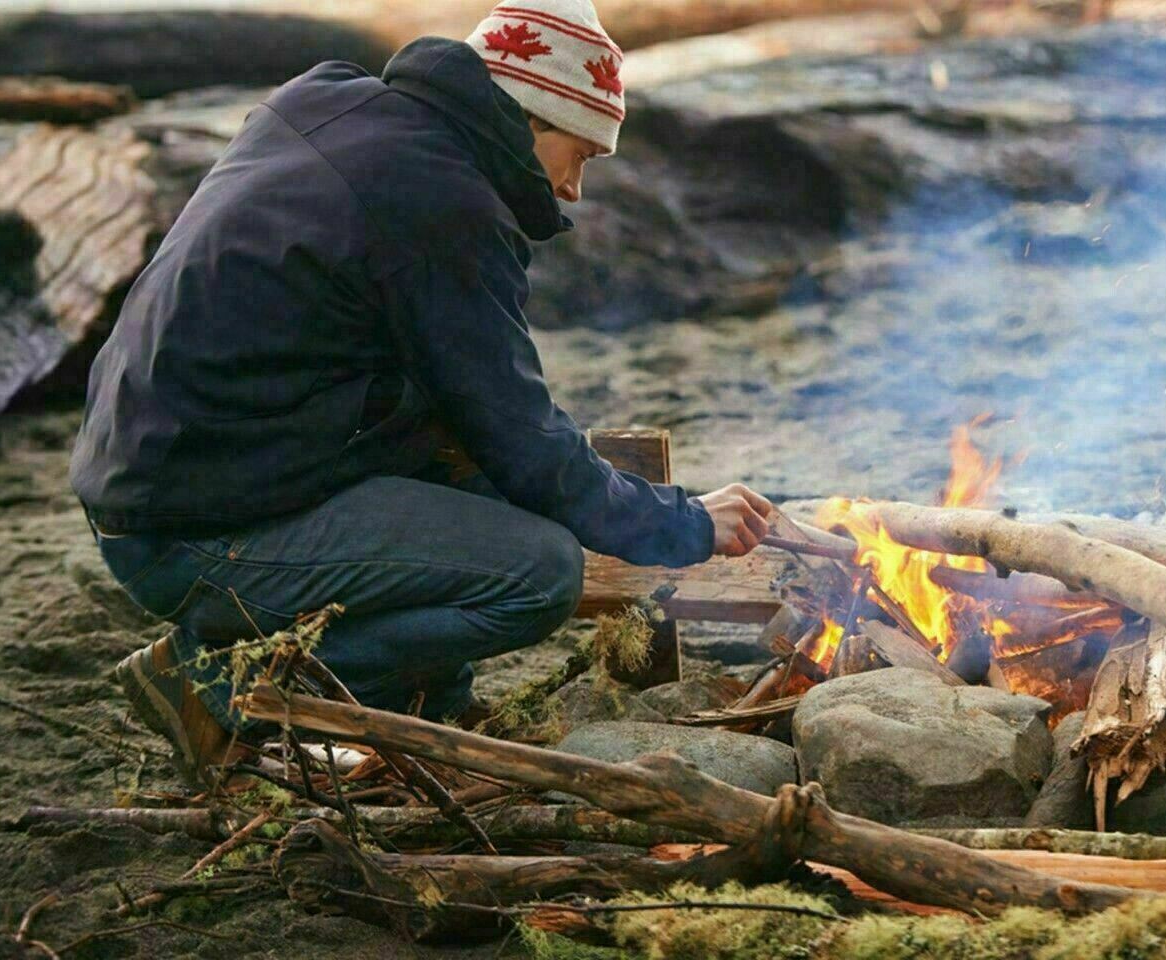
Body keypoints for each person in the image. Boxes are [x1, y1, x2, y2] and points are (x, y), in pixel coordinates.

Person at [68, 0, 772, 786]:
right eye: (580, 153)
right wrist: (685, 523)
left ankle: (432, 702)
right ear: (530, 118)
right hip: (188, 531)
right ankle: (218, 683)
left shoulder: (333, 103)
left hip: (153, 466)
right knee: (537, 572)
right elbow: (523, 440)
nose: (574, 188)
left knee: (483, 484)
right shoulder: (442, 203)